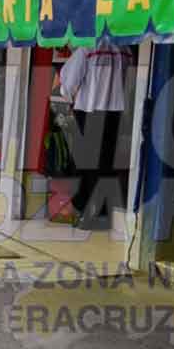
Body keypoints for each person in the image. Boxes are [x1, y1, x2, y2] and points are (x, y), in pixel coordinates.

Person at [56, 42, 130, 229]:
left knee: (87, 165)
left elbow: (67, 84)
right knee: (106, 164)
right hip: (115, 114)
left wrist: (68, 97)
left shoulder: (86, 49)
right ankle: (103, 212)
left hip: (89, 111)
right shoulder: (124, 49)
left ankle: (87, 213)